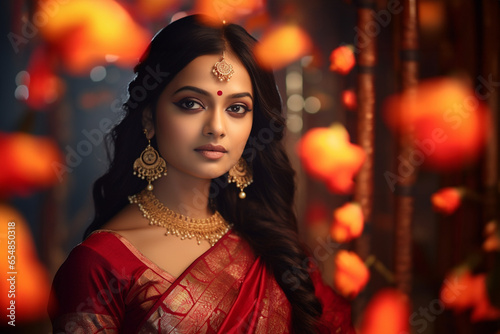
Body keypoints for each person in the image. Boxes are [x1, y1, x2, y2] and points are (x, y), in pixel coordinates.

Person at [48, 14, 354, 334]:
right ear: (149, 118)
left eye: (236, 108)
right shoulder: (98, 265)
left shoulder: (274, 247)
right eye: (192, 103)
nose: (216, 128)